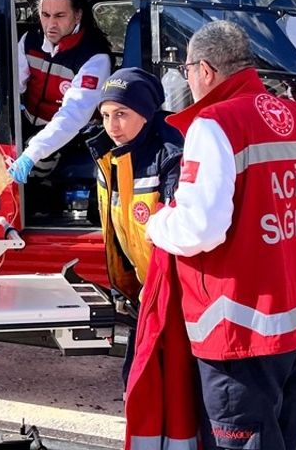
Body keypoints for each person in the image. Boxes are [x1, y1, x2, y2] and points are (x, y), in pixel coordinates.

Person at [145, 20, 296, 450]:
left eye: (187, 73)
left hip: (239, 327)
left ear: (204, 70)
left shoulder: (214, 123)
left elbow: (200, 229)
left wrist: (156, 222)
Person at [85, 68, 183, 383]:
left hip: (174, 300)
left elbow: (181, 234)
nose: (112, 126)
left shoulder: (170, 158)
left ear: (145, 114)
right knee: (137, 387)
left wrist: (158, 291)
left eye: (122, 114)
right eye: (105, 115)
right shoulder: (107, 157)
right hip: (142, 296)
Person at [8, 0, 112, 187]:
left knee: (35, 175)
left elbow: (74, 114)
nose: (50, 24)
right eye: (45, 15)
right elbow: (13, 85)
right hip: (29, 120)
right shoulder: (30, 40)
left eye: (59, 16)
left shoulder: (94, 55)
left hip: (71, 133)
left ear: (77, 16)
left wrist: (33, 152)